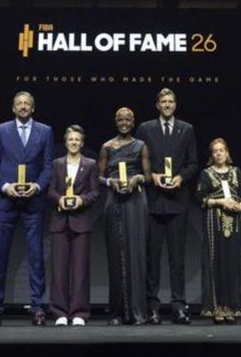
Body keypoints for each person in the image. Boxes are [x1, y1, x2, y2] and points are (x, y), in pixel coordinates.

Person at [0, 91, 54, 326]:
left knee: (36, 256)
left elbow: (48, 166)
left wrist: (37, 186)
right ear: (13, 108)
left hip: (33, 201)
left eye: (27, 104)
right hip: (5, 200)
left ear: (33, 108)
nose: (23, 107)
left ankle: (38, 307)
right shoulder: (1, 130)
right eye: (19, 104)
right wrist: (6, 187)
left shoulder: (45, 131)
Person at [135, 88, 197, 325]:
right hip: (153, 200)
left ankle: (178, 306)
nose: (168, 104)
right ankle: (152, 306)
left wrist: (181, 177)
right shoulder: (145, 128)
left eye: (171, 101)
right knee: (152, 258)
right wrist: (152, 176)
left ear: (175, 104)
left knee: (177, 258)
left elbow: (193, 163)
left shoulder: (187, 129)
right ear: (157, 105)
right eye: (164, 101)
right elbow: (138, 161)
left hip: (178, 201)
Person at [99, 107, 151, 326]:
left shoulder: (141, 146)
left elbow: (148, 176)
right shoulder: (107, 147)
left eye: (128, 119)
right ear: (115, 121)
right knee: (116, 253)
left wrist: (137, 178)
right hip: (114, 200)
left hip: (136, 200)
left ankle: (138, 312)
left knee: (136, 253)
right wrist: (110, 182)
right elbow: (99, 177)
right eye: (120, 119)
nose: (124, 122)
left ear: (133, 121)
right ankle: (117, 312)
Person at [47, 125, 99, 327]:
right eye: (70, 139)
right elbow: (51, 190)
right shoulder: (57, 164)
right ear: (66, 142)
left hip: (81, 222)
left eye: (77, 139)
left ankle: (79, 312)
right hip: (60, 222)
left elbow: (95, 192)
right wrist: (59, 199)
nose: (74, 143)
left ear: (82, 143)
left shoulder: (90, 164)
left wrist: (81, 200)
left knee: (80, 270)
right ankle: (59, 312)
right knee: (59, 270)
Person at [196, 138, 241, 325]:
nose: (219, 154)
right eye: (215, 151)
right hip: (215, 221)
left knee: (233, 262)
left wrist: (240, 206)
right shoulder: (206, 173)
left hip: (235, 222)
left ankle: (231, 307)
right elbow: (201, 198)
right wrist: (220, 201)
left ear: (227, 153)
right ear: (212, 155)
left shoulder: (236, 172)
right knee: (216, 262)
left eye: (221, 150)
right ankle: (217, 307)